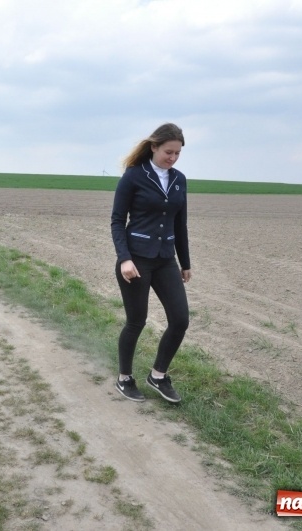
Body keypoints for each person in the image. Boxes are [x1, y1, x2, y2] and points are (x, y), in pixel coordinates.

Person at [110, 123, 191, 404]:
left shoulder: (179, 180)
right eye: (168, 152)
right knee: (136, 322)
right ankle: (124, 379)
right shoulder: (134, 176)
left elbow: (180, 225)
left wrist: (185, 262)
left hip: (165, 259)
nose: (172, 158)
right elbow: (118, 221)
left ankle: (158, 375)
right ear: (154, 147)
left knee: (180, 320)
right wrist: (124, 259)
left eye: (178, 153)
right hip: (136, 260)